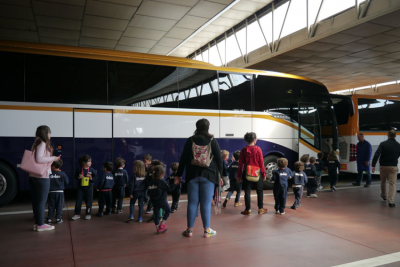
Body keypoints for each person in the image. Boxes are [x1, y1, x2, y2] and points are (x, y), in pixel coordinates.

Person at [176, 118, 223, 238]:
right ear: (208, 127)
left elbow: (183, 159)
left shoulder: (190, 140)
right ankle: (207, 231)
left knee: (192, 203)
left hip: (192, 175)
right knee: (206, 204)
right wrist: (221, 175)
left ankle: (189, 230)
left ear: (197, 127)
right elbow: (219, 159)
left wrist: (178, 175)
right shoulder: (212, 140)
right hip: (209, 176)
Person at [30, 125, 61, 231]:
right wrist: (53, 158)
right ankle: (41, 225)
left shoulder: (36, 142)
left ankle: (37, 223)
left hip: (34, 175)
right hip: (42, 176)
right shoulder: (42, 143)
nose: (50, 135)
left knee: (36, 200)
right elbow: (39, 159)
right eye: (49, 132)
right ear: (46, 133)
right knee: (41, 201)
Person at [237, 132, 267, 216]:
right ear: (254, 140)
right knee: (259, 191)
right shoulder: (258, 149)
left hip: (246, 172)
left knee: (247, 191)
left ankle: (248, 209)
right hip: (257, 173)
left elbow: (240, 165)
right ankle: (260, 208)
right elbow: (261, 163)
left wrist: (239, 176)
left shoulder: (243, 150)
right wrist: (264, 174)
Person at [372, 130, 400, 208]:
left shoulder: (383, 144)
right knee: (392, 184)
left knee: (383, 181)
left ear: (388, 135)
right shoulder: (398, 145)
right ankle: (390, 201)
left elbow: (377, 153)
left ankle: (384, 195)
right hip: (393, 167)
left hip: (383, 166)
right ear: (395, 136)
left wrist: (373, 165)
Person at [148, 165, 175, 234]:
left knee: (156, 214)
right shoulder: (161, 182)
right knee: (168, 210)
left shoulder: (151, 182)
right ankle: (162, 224)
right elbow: (169, 188)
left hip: (154, 201)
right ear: (162, 174)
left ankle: (157, 228)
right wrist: (175, 184)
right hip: (162, 200)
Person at [72, 155, 97, 220]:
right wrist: (79, 177)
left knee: (89, 201)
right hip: (80, 188)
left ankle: (88, 214)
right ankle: (77, 214)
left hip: (89, 187)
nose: (90, 163)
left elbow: (95, 177)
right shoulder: (79, 169)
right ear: (84, 162)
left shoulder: (92, 170)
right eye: (89, 161)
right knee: (78, 201)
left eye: (91, 161)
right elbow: (75, 176)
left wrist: (91, 177)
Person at [46, 160, 69, 224]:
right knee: (59, 206)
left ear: (53, 166)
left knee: (51, 206)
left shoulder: (49, 174)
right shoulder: (62, 174)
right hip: (60, 192)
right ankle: (58, 218)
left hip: (51, 192)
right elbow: (67, 182)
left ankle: (49, 219)